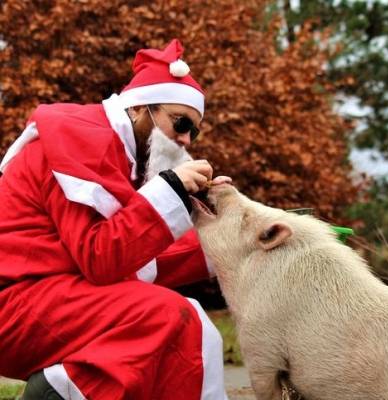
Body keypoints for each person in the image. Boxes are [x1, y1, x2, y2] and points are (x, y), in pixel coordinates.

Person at [0, 39, 230, 400]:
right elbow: (101, 258)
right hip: (16, 305)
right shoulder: (78, 139)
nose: (186, 140)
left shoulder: (111, 153)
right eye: (180, 122)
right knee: (171, 317)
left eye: (193, 131)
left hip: (40, 300)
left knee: (183, 326)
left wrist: (231, 235)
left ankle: (63, 387)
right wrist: (170, 188)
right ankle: (59, 391)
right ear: (139, 108)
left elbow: (137, 261)